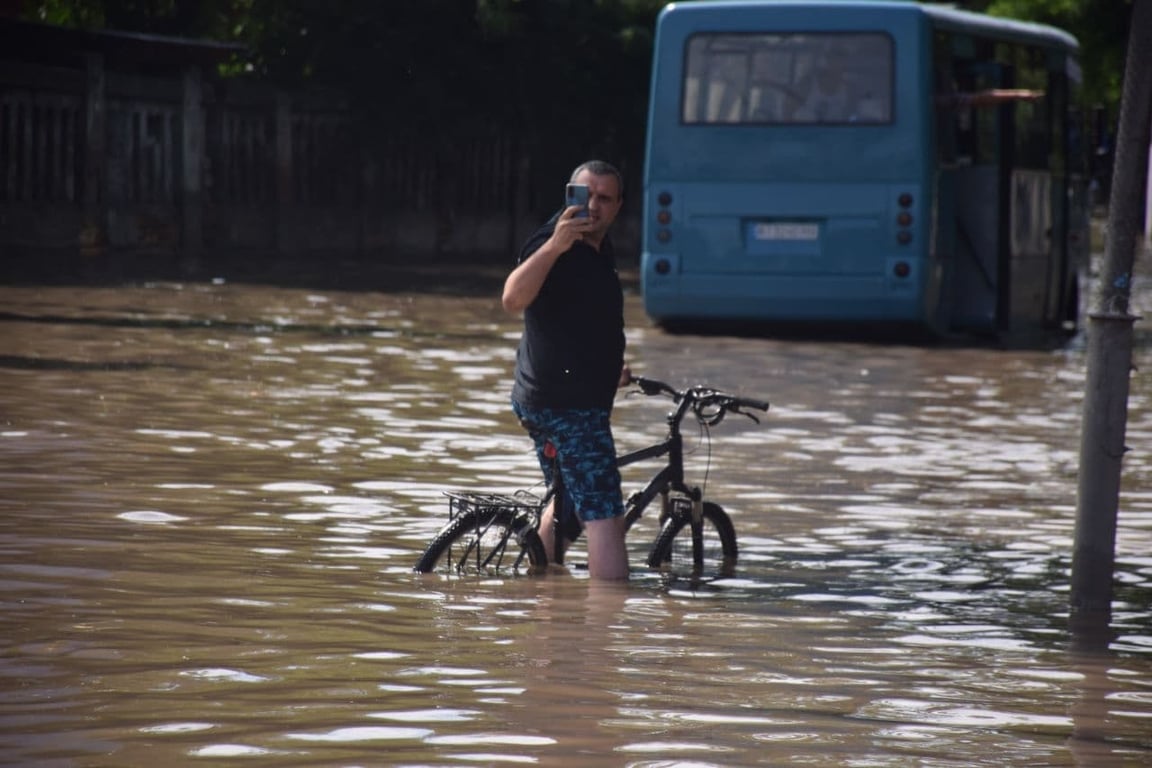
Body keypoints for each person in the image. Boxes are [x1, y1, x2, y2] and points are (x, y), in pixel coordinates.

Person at [502, 160, 631, 580]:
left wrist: (611, 364)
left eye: (604, 198)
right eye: (585, 195)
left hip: (545, 399)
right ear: (568, 196)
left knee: (570, 506)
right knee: (605, 515)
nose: (592, 206)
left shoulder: (599, 247)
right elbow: (512, 297)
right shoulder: (554, 242)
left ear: (617, 206)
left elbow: (581, 320)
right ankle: (605, 628)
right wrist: (555, 245)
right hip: (568, 406)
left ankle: (537, 587)